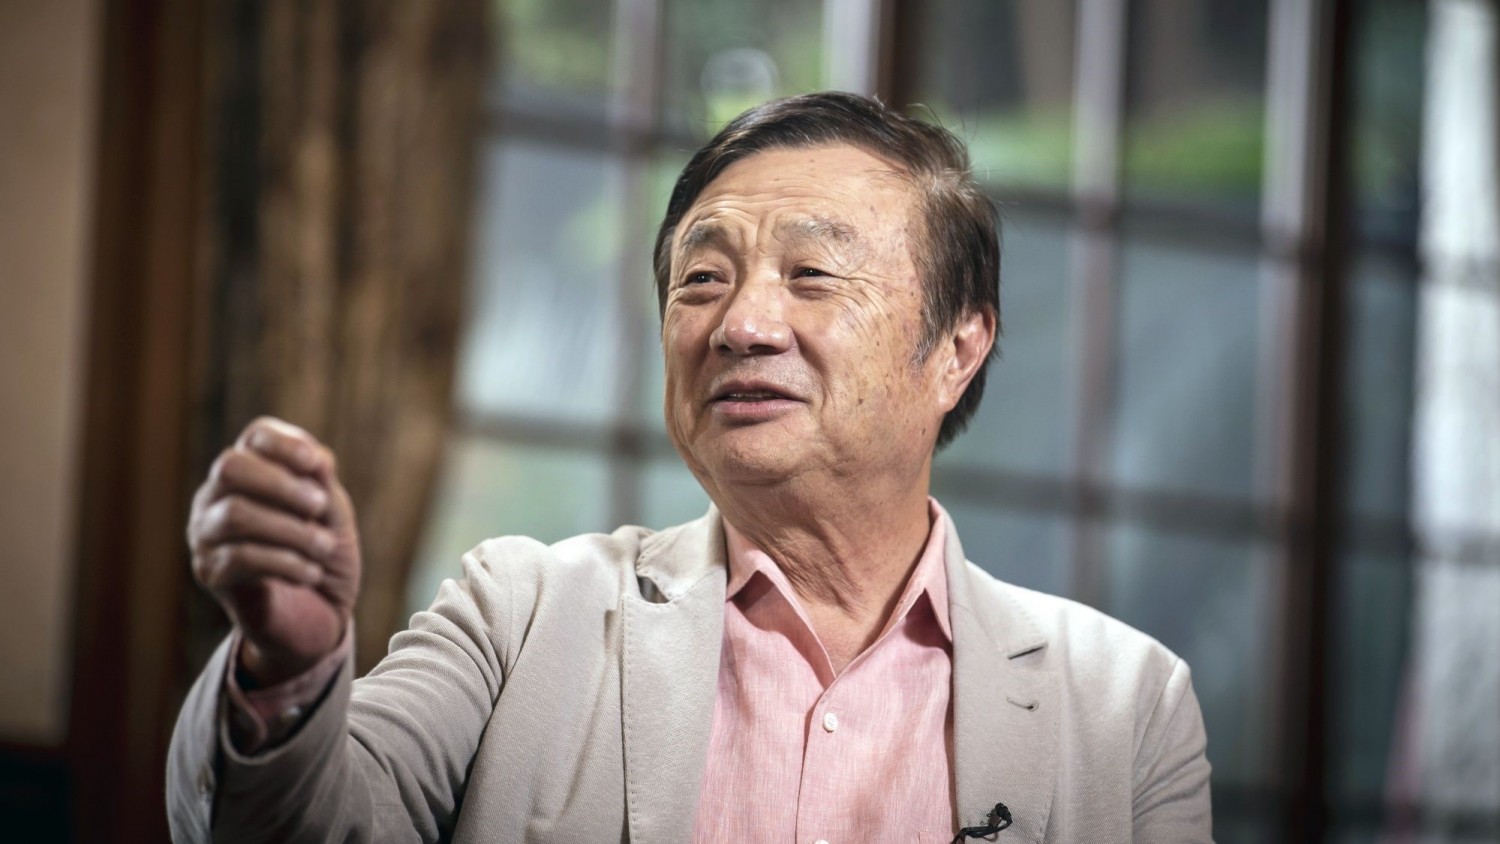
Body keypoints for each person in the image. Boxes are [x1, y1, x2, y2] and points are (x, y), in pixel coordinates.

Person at [167, 92, 1213, 843]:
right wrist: (289, 665)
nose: (741, 323)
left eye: (812, 274)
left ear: (957, 349)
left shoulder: (1124, 708)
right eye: (703, 278)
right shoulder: (519, 613)